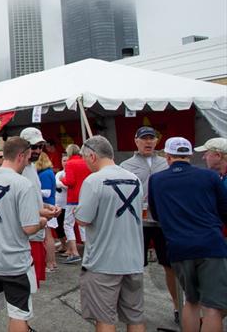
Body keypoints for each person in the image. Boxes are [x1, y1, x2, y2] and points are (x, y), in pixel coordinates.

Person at [149, 137, 227, 332]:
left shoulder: (156, 180)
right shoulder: (209, 176)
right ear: (190, 155)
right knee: (212, 308)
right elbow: (224, 209)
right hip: (210, 245)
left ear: (167, 156)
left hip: (179, 246)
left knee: (191, 302)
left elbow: (156, 214)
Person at [0, 137, 45, 332]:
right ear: (21, 156)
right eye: (29, 158)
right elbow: (29, 228)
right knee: (18, 314)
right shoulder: (23, 184)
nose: (29, 162)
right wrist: (43, 222)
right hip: (14, 263)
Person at [76, 136, 146, 332]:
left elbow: (84, 218)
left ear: (92, 156)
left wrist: (76, 213)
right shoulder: (134, 179)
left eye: (84, 158)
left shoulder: (93, 181)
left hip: (103, 261)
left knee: (104, 318)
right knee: (135, 317)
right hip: (133, 259)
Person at [119, 126, 178, 323]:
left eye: (152, 138)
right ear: (136, 141)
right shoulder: (126, 165)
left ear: (157, 141)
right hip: (138, 223)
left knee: (170, 266)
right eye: (144, 138)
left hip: (163, 222)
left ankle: (178, 307)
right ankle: (133, 309)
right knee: (135, 267)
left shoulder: (166, 163)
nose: (148, 142)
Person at [19, 128, 62, 288]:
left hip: (36, 234)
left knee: (32, 287)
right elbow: (18, 205)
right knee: (26, 289)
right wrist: (43, 212)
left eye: (40, 146)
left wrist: (47, 206)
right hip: (26, 237)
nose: (37, 150)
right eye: (34, 146)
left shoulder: (31, 168)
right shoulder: (20, 170)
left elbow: (34, 198)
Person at [60, 143, 89, 264]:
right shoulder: (86, 162)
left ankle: (74, 252)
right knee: (83, 225)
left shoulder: (70, 163)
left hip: (73, 198)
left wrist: (62, 179)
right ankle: (89, 252)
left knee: (68, 224)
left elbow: (70, 181)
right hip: (85, 197)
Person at [36, 152, 58, 272]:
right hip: (50, 205)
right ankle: (52, 262)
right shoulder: (49, 172)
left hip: (47, 207)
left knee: (48, 236)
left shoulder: (44, 174)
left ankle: (50, 263)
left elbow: (46, 192)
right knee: (49, 236)